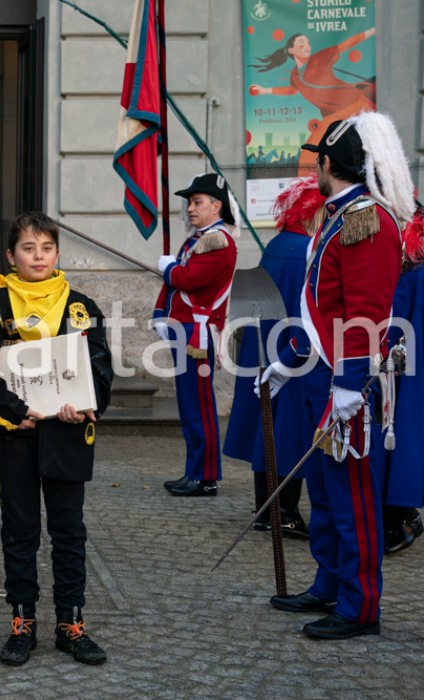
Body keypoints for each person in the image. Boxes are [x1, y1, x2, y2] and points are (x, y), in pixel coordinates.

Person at [262, 112, 414, 639]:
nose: (314, 169)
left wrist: (350, 383)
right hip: (322, 372)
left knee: (352, 497)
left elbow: (365, 315)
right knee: (326, 492)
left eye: (317, 161)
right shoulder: (339, 216)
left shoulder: (364, 219)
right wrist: (287, 361)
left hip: (350, 382)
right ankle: (329, 581)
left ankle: (360, 604)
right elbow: (322, 308)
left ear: (328, 163)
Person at [0, 212, 112, 667]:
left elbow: (99, 367)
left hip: (67, 433)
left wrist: (86, 404)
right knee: (19, 530)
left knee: (69, 531)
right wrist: (13, 411)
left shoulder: (80, 306)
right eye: (28, 248)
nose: (38, 256)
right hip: (18, 434)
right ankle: (22, 622)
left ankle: (71, 623)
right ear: (12, 256)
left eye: (46, 248)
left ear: (57, 253)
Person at [223, 177, 326, 536]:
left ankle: (266, 508)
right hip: (293, 348)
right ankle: (283, 512)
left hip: (265, 343)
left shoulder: (278, 244)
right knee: (287, 430)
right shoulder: (308, 249)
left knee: (265, 425)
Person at [154, 173, 238, 497]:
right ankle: (194, 470)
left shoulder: (218, 241)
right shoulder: (198, 239)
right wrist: (162, 314)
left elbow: (188, 279)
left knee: (199, 406)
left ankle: (205, 477)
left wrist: (169, 268)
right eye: (190, 202)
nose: (190, 208)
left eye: (197, 202)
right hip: (186, 329)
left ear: (216, 206)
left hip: (198, 335)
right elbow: (177, 285)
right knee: (189, 405)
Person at [249, 30, 376, 175]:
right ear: (291, 50)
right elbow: (292, 90)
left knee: (310, 154)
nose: (307, 46)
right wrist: (265, 90)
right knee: (316, 154)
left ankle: (306, 185)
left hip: (353, 104)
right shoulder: (294, 75)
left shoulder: (320, 58)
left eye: (308, 43)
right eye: (301, 43)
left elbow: (346, 44)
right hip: (335, 114)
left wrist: (372, 31)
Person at [374, 203, 424, 555]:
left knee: (398, 442)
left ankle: (402, 516)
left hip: (403, 371)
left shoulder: (412, 275)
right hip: (397, 368)